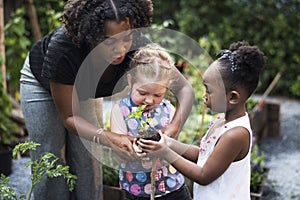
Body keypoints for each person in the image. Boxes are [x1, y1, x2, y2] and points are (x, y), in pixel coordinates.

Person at [19, 0, 194, 199]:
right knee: (49, 159)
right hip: (42, 86)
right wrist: (113, 138)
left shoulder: (139, 46)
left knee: (88, 161)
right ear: (90, 36)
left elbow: (185, 90)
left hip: (85, 91)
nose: (120, 49)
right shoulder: (64, 49)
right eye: (108, 41)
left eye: (125, 38)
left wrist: (169, 134)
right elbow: (69, 117)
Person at [136, 41, 266, 199]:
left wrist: (165, 152)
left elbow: (204, 175)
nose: (204, 96)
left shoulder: (235, 134)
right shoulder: (222, 121)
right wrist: (168, 142)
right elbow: (203, 155)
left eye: (209, 90)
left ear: (232, 97)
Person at [110, 43, 192, 200]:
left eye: (158, 95)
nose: (149, 100)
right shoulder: (121, 110)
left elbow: (174, 145)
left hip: (172, 186)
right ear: (130, 81)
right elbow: (119, 149)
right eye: (142, 93)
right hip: (137, 189)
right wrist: (132, 150)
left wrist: (164, 144)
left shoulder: (168, 110)